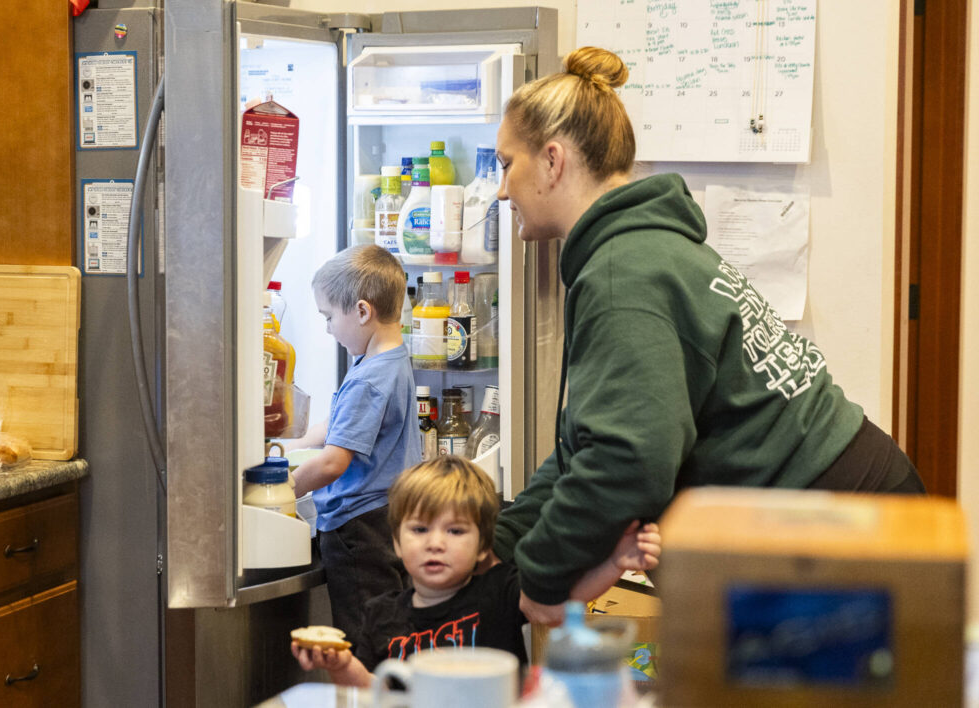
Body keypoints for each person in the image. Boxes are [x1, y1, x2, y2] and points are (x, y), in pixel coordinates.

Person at [489, 46, 926, 627]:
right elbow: (593, 443)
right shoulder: (643, 249)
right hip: (849, 505)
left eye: (504, 164)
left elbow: (629, 459)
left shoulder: (624, 273)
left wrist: (541, 573)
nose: (500, 190)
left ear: (552, 161)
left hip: (845, 525)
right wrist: (504, 537)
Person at [292, 455, 662, 687]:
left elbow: (565, 602)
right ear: (398, 542)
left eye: (455, 531)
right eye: (420, 530)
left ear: (484, 545)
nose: (435, 543)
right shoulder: (380, 613)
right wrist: (341, 666)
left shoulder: (498, 590)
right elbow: (376, 689)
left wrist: (616, 564)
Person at [288, 244, 422, 651]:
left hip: (359, 530)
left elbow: (332, 463)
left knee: (368, 641)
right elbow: (338, 426)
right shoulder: (389, 360)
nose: (328, 328)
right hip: (389, 519)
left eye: (329, 317)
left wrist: (279, 491)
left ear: (362, 312)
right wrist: (290, 446)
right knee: (393, 630)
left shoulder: (368, 378)